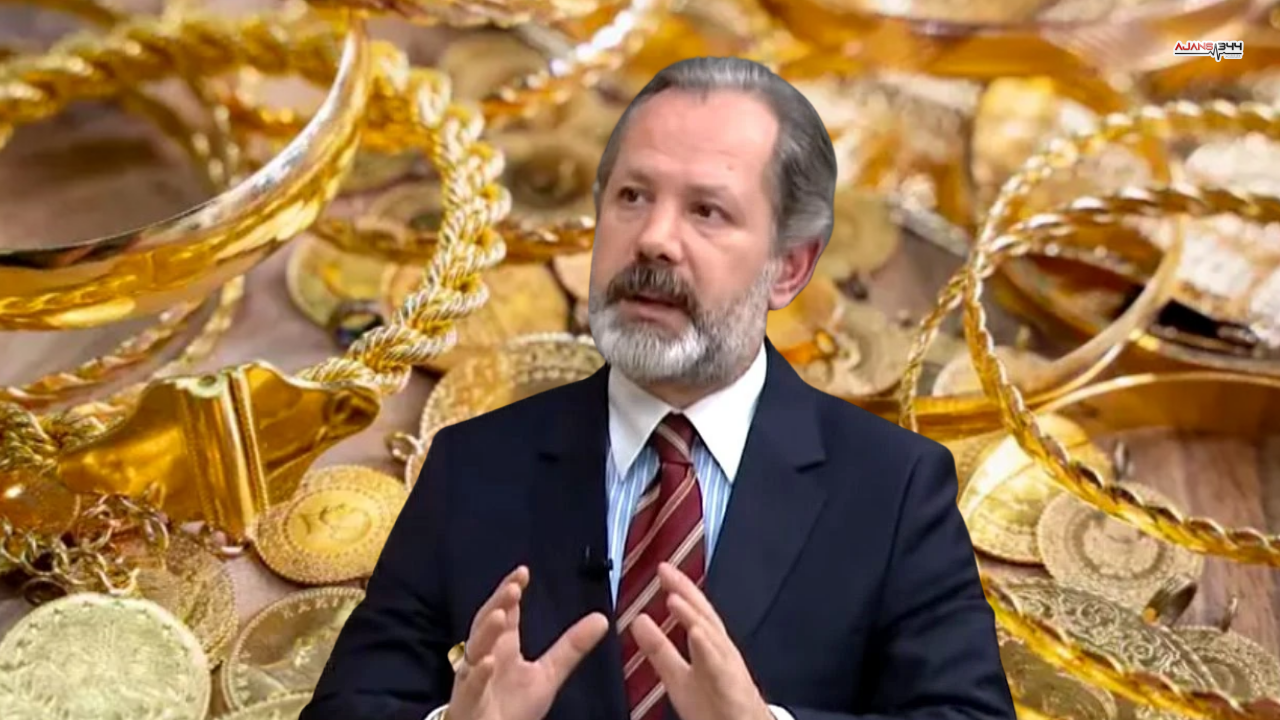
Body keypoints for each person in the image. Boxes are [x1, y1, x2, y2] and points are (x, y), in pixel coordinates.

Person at [301, 56, 1015, 720]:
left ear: (789, 268)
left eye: (707, 210)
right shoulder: (473, 467)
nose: (654, 239)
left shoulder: (895, 490)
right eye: (633, 197)